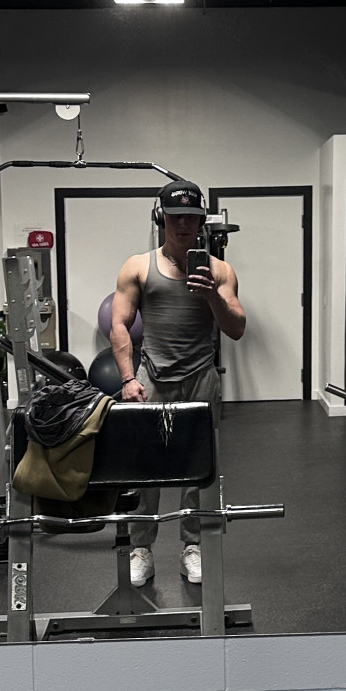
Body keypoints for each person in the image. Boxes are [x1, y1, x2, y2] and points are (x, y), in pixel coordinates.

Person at [108, 182, 246, 587]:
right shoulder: (137, 266)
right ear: (161, 219)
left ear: (201, 221)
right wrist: (127, 378)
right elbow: (119, 324)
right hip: (151, 378)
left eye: (192, 218)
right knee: (145, 467)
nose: (184, 224)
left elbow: (236, 328)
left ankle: (193, 547)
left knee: (198, 468)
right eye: (175, 217)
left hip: (201, 377)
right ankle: (141, 549)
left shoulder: (219, 271)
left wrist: (212, 296)